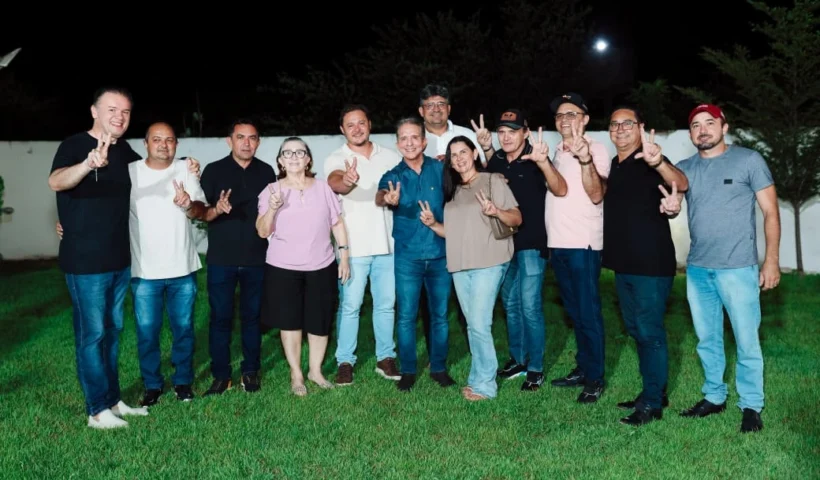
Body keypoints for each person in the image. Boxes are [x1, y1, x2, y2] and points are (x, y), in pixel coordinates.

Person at [661, 104, 780, 433]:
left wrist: (771, 260)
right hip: (698, 270)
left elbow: (771, 212)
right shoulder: (685, 169)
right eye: (695, 125)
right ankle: (714, 396)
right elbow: (673, 203)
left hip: (738, 269)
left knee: (746, 341)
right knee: (707, 339)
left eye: (709, 123)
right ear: (690, 134)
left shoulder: (748, 160)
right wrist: (670, 207)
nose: (703, 130)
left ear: (724, 127)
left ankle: (751, 405)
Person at [48, 86, 149, 428]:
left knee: (112, 332)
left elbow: (152, 174)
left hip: (119, 260)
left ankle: (113, 401)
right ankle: (96, 411)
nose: (119, 116)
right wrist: (87, 163)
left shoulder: (126, 152)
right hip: (85, 263)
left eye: (125, 111)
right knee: (92, 335)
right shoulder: (73, 145)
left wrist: (186, 166)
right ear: (94, 111)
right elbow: (56, 181)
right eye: (112, 109)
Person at [602, 105, 689, 426]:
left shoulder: (651, 159)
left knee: (649, 331)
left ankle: (652, 403)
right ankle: (654, 391)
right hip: (623, 263)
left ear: (641, 127)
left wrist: (659, 162)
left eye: (628, 123)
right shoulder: (616, 164)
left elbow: (681, 183)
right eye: (614, 124)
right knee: (636, 329)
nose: (620, 129)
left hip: (651, 263)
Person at [419, 135, 521, 400]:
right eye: (453, 155)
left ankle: (486, 386)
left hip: (490, 261)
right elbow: (452, 233)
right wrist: (433, 224)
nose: (459, 158)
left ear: (474, 154)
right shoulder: (452, 191)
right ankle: (477, 379)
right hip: (460, 265)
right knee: (473, 324)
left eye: (463, 152)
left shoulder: (493, 180)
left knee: (478, 323)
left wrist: (496, 211)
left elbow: (516, 218)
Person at [256, 137, 351, 396]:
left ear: (308, 159)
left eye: (300, 152)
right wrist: (272, 209)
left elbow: (336, 223)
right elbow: (262, 231)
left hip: (321, 264)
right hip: (283, 267)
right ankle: (296, 373)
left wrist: (344, 256)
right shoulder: (271, 190)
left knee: (319, 320)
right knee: (290, 322)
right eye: (288, 153)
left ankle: (315, 371)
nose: (294, 157)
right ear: (280, 161)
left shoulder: (323, 189)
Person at [485, 109, 567, 391]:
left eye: (513, 131)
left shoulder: (537, 156)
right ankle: (518, 359)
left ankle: (536, 368)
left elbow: (560, 188)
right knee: (510, 303)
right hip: (504, 242)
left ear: (525, 133)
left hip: (532, 243)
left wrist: (544, 163)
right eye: (502, 132)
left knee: (530, 305)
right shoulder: (496, 159)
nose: (506, 137)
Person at [128, 122, 208, 406]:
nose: (163, 145)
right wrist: (70, 223)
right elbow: (105, 208)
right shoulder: (130, 172)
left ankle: (183, 382)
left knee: (183, 330)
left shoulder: (185, 169)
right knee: (147, 333)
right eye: (157, 139)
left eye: (170, 139)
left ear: (177, 144)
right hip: (144, 271)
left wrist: (187, 204)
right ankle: (152, 385)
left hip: (182, 270)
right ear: (145, 143)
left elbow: (201, 210)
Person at [324, 104, 402, 385]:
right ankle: (345, 361)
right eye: (350, 125)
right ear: (342, 130)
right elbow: (335, 182)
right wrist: (347, 179)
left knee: (386, 305)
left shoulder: (391, 156)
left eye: (361, 123)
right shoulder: (336, 158)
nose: (356, 129)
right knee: (350, 306)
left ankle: (385, 357)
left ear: (369, 124)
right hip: (353, 250)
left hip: (388, 246)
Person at [376, 116, 455, 392]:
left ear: (423, 141)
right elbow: (380, 195)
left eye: (414, 137)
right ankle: (408, 370)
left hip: (440, 254)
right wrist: (388, 198)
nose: (409, 143)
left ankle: (439, 368)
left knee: (440, 315)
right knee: (406, 316)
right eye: (403, 138)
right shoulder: (393, 174)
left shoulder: (441, 169)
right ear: (398, 144)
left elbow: (464, 185)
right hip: (408, 258)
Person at [199, 119, 276, 396]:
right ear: (229, 140)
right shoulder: (213, 171)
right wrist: (217, 208)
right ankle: (221, 376)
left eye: (252, 138)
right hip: (222, 259)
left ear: (258, 142)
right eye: (241, 137)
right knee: (220, 318)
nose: (246, 143)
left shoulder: (266, 172)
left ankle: (250, 371)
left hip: (257, 258)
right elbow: (202, 211)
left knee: (252, 318)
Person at [544, 93, 611, 404]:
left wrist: (584, 158)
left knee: (588, 312)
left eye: (571, 114)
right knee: (574, 312)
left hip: (583, 244)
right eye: (559, 115)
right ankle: (584, 368)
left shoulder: (596, 149)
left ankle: (595, 378)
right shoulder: (557, 151)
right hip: (557, 243)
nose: (564, 119)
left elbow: (597, 194)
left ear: (585, 119)